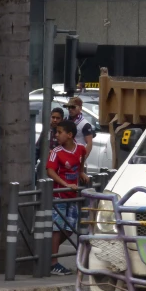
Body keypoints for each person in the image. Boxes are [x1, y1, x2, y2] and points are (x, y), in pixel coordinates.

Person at [46, 119, 88, 276]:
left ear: (69, 135)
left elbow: (81, 160)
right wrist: (65, 184)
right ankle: (53, 262)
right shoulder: (56, 152)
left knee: (70, 229)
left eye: (59, 132)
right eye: (56, 132)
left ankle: (48, 251)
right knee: (57, 228)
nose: (56, 135)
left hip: (72, 196)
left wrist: (81, 172)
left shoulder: (80, 149)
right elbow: (50, 171)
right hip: (59, 196)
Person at [63, 97, 94, 165]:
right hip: (65, 157)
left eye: (73, 107)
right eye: (69, 107)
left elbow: (89, 144)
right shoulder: (65, 120)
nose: (70, 109)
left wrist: (82, 159)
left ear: (80, 108)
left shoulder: (85, 124)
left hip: (78, 158)